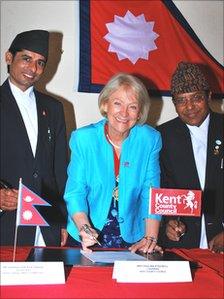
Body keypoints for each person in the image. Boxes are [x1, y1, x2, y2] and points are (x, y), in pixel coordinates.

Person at [64, 73, 163, 254]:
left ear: (140, 112)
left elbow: (151, 193)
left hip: (133, 237)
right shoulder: (83, 139)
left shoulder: (150, 140)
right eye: (117, 103)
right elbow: (75, 192)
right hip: (86, 232)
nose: (124, 113)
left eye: (132, 106)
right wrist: (85, 229)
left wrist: (150, 238)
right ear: (105, 104)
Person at [0, 30, 68, 246]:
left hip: (47, 225)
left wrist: (62, 221)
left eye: (40, 62)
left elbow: (60, 169)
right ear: (9, 58)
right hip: (7, 221)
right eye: (26, 59)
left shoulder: (54, 108)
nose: (33, 68)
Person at [157, 62, 223, 253]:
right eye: (181, 100)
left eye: (196, 98)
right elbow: (161, 188)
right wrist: (168, 222)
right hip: (182, 245)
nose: (190, 107)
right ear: (174, 103)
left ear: (209, 96)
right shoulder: (163, 136)